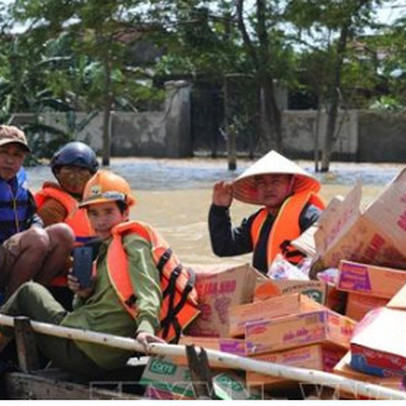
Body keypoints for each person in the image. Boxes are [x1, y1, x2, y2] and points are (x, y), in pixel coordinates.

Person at [0, 170, 199, 380]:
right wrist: (84, 293)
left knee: (27, 292)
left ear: (125, 213)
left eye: (108, 212)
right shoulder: (108, 249)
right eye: (93, 214)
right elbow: (89, 309)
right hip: (92, 345)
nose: (100, 221)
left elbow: (147, 287)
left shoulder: (132, 242)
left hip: (86, 351)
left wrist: (145, 327)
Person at [208, 150, 325, 274]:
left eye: (276, 181)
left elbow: (325, 258)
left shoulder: (310, 216)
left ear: (291, 183)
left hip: (298, 289)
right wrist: (220, 209)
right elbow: (224, 247)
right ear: (256, 188)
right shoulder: (257, 221)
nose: (268, 188)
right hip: (264, 289)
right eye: (262, 183)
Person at [0, 125, 74, 302]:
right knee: (36, 238)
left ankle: (33, 296)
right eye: (4, 152)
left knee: (63, 233)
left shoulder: (20, 187)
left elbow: (34, 216)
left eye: (17, 155)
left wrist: (35, 227)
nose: (10, 160)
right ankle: (10, 308)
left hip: (12, 255)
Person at [34, 141, 99, 308]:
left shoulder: (96, 205)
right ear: (57, 172)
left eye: (81, 171)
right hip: (60, 285)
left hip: (87, 280)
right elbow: (44, 250)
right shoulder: (54, 204)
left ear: (91, 176)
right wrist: (74, 266)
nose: (75, 177)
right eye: (69, 170)